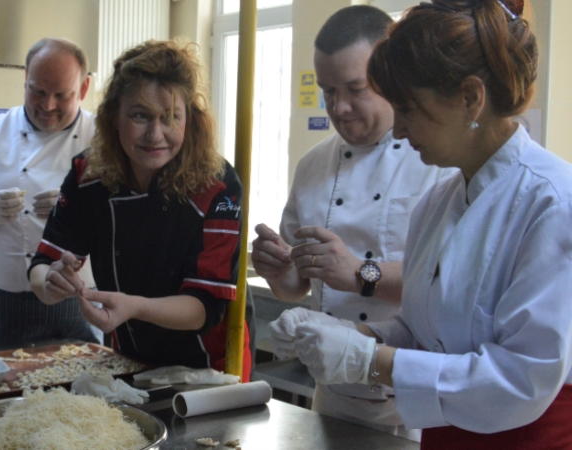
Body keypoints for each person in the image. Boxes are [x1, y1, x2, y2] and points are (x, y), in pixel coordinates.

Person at [284, 1, 572, 448]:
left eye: (410, 109)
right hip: (444, 433)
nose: (397, 130)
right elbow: (424, 331)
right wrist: (349, 335)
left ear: (471, 98)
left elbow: (522, 380)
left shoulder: (551, 202)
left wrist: (370, 360)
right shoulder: (440, 203)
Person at [252, 5, 453, 439]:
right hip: (334, 392)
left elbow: (448, 281)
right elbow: (296, 288)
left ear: (390, 75)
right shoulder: (312, 165)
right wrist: (279, 269)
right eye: (327, 91)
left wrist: (360, 274)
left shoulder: (437, 160)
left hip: (413, 396)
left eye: (355, 89)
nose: (339, 107)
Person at [29, 40, 253, 381]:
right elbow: (43, 264)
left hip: (209, 371)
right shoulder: (89, 176)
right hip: (127, 360)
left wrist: (133, 307)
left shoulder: (217, 186)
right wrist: (51, 283)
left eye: (170, 117)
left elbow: (205, 306)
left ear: (189, 120)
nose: (155, 135)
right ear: (114, 116)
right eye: (140, 116)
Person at [0, 38, 99, 346]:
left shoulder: (105, 141)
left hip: (78, 305)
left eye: (61, 95)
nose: (48, 105)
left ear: (83, 89)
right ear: (25, 78)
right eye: (37, 91)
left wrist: (77, 212)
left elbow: (130, 227)